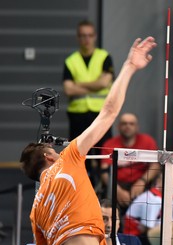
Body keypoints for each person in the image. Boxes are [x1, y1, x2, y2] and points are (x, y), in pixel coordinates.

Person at [19, 36, 157, 245]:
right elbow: (108, 113)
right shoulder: (67, 159)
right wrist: (129, 67)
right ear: (48, 156)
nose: (57, 150)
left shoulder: (36, 210)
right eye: (53, 150)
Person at [63, 20, 115, 186]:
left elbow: (104, 83)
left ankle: (105, 193)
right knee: (79, 157)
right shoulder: (71, 61)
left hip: (101, 116)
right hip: (78, 116)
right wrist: (95, 84)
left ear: (95, 36)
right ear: (78, 38)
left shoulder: (104, 57)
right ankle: (80, 191)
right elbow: (68, 90)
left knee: (104, 157)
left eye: (90, 35)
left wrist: (79, 84)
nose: (86, 39)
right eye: (83, 35)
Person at [100, 113, 160, 215]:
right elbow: (104, 172)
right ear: (118, 127)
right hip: (117, 185)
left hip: (143, 184)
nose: (128, 126)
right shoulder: (110, 144)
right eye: (124, 123)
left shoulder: (148, 141)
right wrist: (117, 190)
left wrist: (142, 181)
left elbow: (156, 165)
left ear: (137, 127)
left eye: (131, 124)